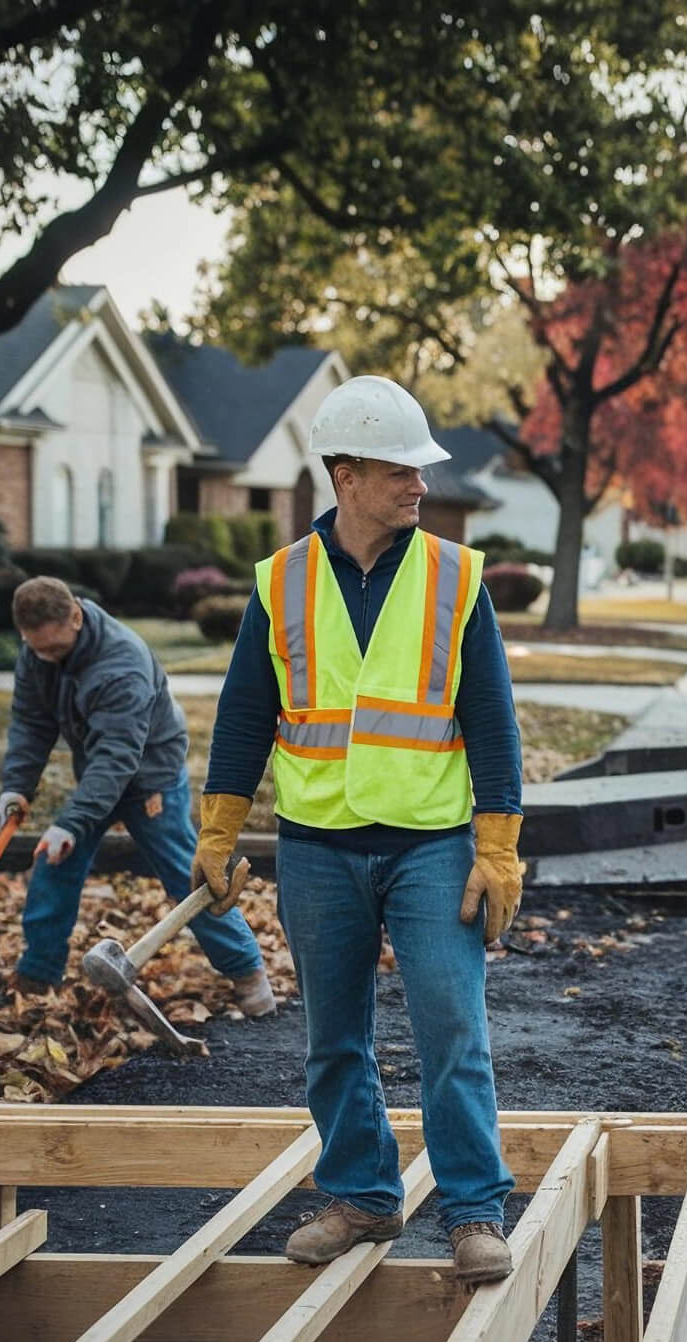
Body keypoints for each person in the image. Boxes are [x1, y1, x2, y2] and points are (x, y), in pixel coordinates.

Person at [193, 376, 524, 1285]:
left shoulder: (457, 578)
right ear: (344, 475)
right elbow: (243, 715)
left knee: (451, 1028)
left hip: (430, 844)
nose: (420, 484)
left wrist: (497, 847)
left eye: (420, 470)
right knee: (332, 1036)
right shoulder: (281, 581)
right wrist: (219, 829)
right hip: (316, 845)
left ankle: (472, 1210)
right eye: (400, 470)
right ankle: (362, 1196)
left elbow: (493, 722)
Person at [0, 576, 273, 1014]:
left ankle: (248, 973)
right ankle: (37, 974)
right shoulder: (38, 655)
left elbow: (119, 757)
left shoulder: (120, 664)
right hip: (98, 772)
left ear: (76, 617)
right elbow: (31, 723)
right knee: (54, 860)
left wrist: (71, 821)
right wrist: (16, 785)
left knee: (187, 876)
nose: (45, 658)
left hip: (149, 777)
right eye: (37, 650)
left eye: (54, 650)